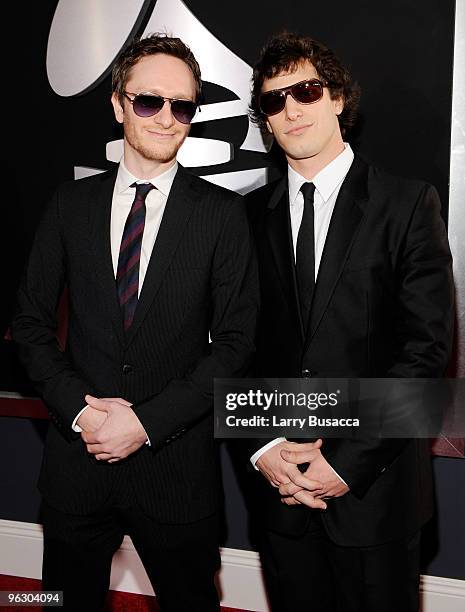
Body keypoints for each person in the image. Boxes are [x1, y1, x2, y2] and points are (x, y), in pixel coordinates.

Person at [11, 33, 258, 612]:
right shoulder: (69, 206)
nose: (168, 119)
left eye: (183, 106)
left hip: (174, 470)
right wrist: (81, 411)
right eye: (150, 101)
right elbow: (30, 324)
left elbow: (237, 342)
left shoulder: (221, 215)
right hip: (79, 464)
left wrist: (144, 423)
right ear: (119, 104)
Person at [245, 32, 454, 612]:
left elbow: (427, 351)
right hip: (279, 490)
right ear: (265, 121)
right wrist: (264, 447)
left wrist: (344, 458)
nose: (291, 109)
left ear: (337, 98)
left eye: (306, 91)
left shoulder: (408, 205)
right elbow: (236, 346)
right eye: (273, 100)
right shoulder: (245, 218)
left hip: (376, 491)